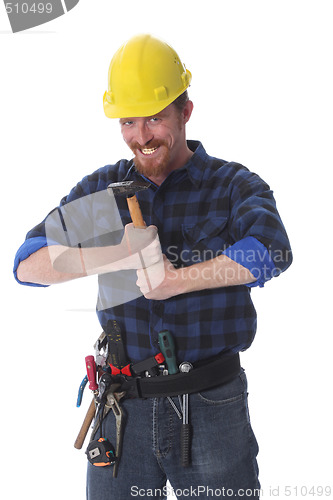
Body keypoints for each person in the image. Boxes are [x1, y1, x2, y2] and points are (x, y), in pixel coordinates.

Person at [14, 34, 292, 499]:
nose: (141, 136)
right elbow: (29, 264)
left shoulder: (228, 186)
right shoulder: (107, 195)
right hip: (123, 408)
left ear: (185, 111)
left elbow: (270, 250)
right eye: (128, 121)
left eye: (155, 118)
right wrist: (121, 253)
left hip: (210, 404)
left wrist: (173, 281)